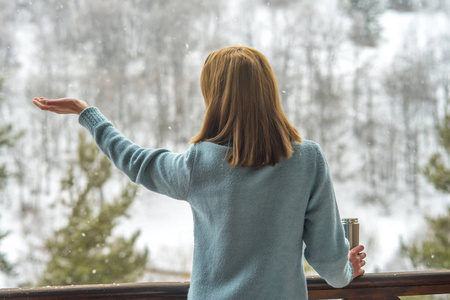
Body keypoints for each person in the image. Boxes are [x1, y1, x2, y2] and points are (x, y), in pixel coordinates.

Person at [33, 46, 365, 299]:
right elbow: (331, 266)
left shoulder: (198, 164)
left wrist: (88, 114)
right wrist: (346, 269)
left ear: (215, 98)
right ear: (268, 93)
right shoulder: (306, 160)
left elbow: (136, 161)